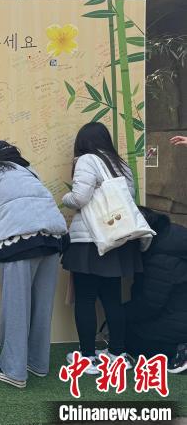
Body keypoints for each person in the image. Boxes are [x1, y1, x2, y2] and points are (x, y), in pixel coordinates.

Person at [0, 141, 68, 388]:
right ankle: (38, 363)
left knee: (16, 307)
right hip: (53, 240)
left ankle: (13, 370)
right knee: (42, 306)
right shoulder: (29, 171)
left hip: (18, 242)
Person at [61, 122, 141, 373]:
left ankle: (87, 357)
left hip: (90, 241)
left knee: (85, 298)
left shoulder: (86, 160)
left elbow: (79, 198)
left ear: (83, 142)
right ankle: (117, 353)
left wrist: (64, 198)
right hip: (117, 238)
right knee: (112, 298)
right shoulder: (121, 164)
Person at [124, 208, 187, 374]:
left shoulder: (160, 258)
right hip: (177, 312)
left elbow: (150, 304)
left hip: (177, 320)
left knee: (130, 338)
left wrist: (119, 314)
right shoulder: (173, 237)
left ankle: (177, 351)